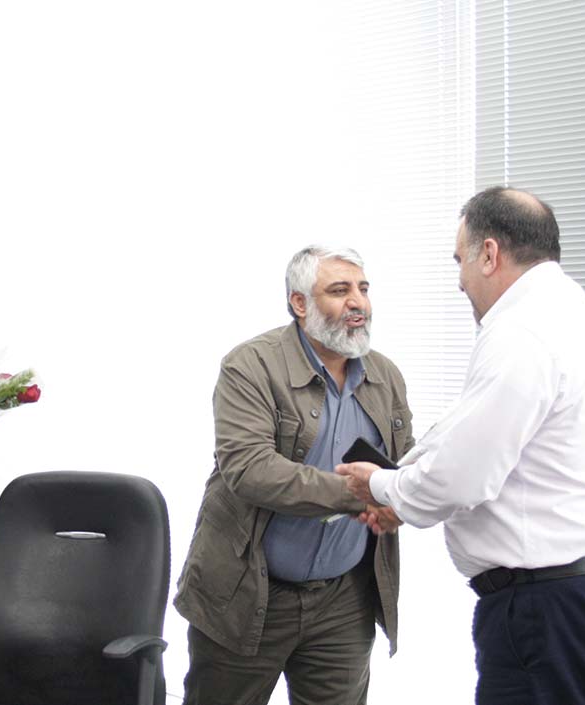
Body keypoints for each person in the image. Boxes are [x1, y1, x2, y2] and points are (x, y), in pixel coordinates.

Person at [337, 187, 585, 705]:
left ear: (489, 254)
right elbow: (471, 437)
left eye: (460, 260)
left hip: (549, 611)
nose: (459, 280)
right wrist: (404, 492)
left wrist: (382, 486)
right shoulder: (578, 320)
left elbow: (462, 475)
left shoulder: (523, 333)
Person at [174, 245, 415, 705]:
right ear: (299, 303)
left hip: (343, 600)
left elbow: (404, 466)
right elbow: (250, 469)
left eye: (363, 289)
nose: (358, 303)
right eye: (339, 290)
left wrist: (404, 497)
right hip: (248, 594)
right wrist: (364, 492)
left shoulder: (385, 375)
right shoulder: (250, 366)